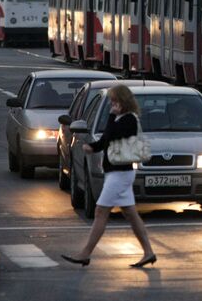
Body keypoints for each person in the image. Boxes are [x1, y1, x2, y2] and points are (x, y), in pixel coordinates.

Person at [61, 84, 156, 268]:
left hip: (120, 174)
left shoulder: (128, 119)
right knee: (131, 214)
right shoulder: (120, 118)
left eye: (115, 101)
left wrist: (112, 116)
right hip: (118, 173)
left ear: (123, 101)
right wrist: (92, 148)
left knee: (100, 211)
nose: (112, 104)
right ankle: (149, 252)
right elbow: (105, 140)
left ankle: (85, 253)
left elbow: (112, 136)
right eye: (111, 101)